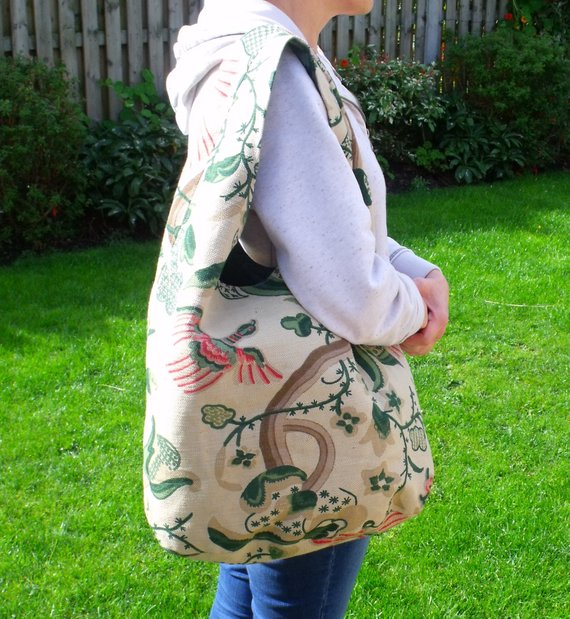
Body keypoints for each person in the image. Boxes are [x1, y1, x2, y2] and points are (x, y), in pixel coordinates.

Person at [165, 1, 449, 617]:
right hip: (309, 405)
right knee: (295, 602)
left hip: (262, 402)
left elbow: (311, 222)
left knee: (249, 589)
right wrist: (415, 309)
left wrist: (411, 269)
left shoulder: (251, 46)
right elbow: (353, 294)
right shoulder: (279, 71)